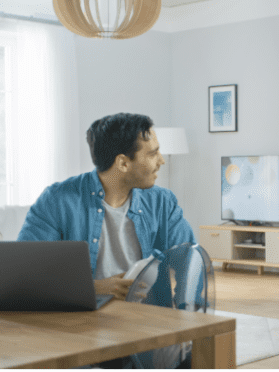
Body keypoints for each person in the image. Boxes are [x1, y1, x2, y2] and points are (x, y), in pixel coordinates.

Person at [17, 112, 195, 368]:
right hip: (82, 330)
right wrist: (98, 288)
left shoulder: (163, 203)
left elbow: (190, 265)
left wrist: (185, 322)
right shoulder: (57, 200)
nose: (162, 161)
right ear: (123, 163)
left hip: (148, 327)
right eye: (153, 154)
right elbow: (26, 274)